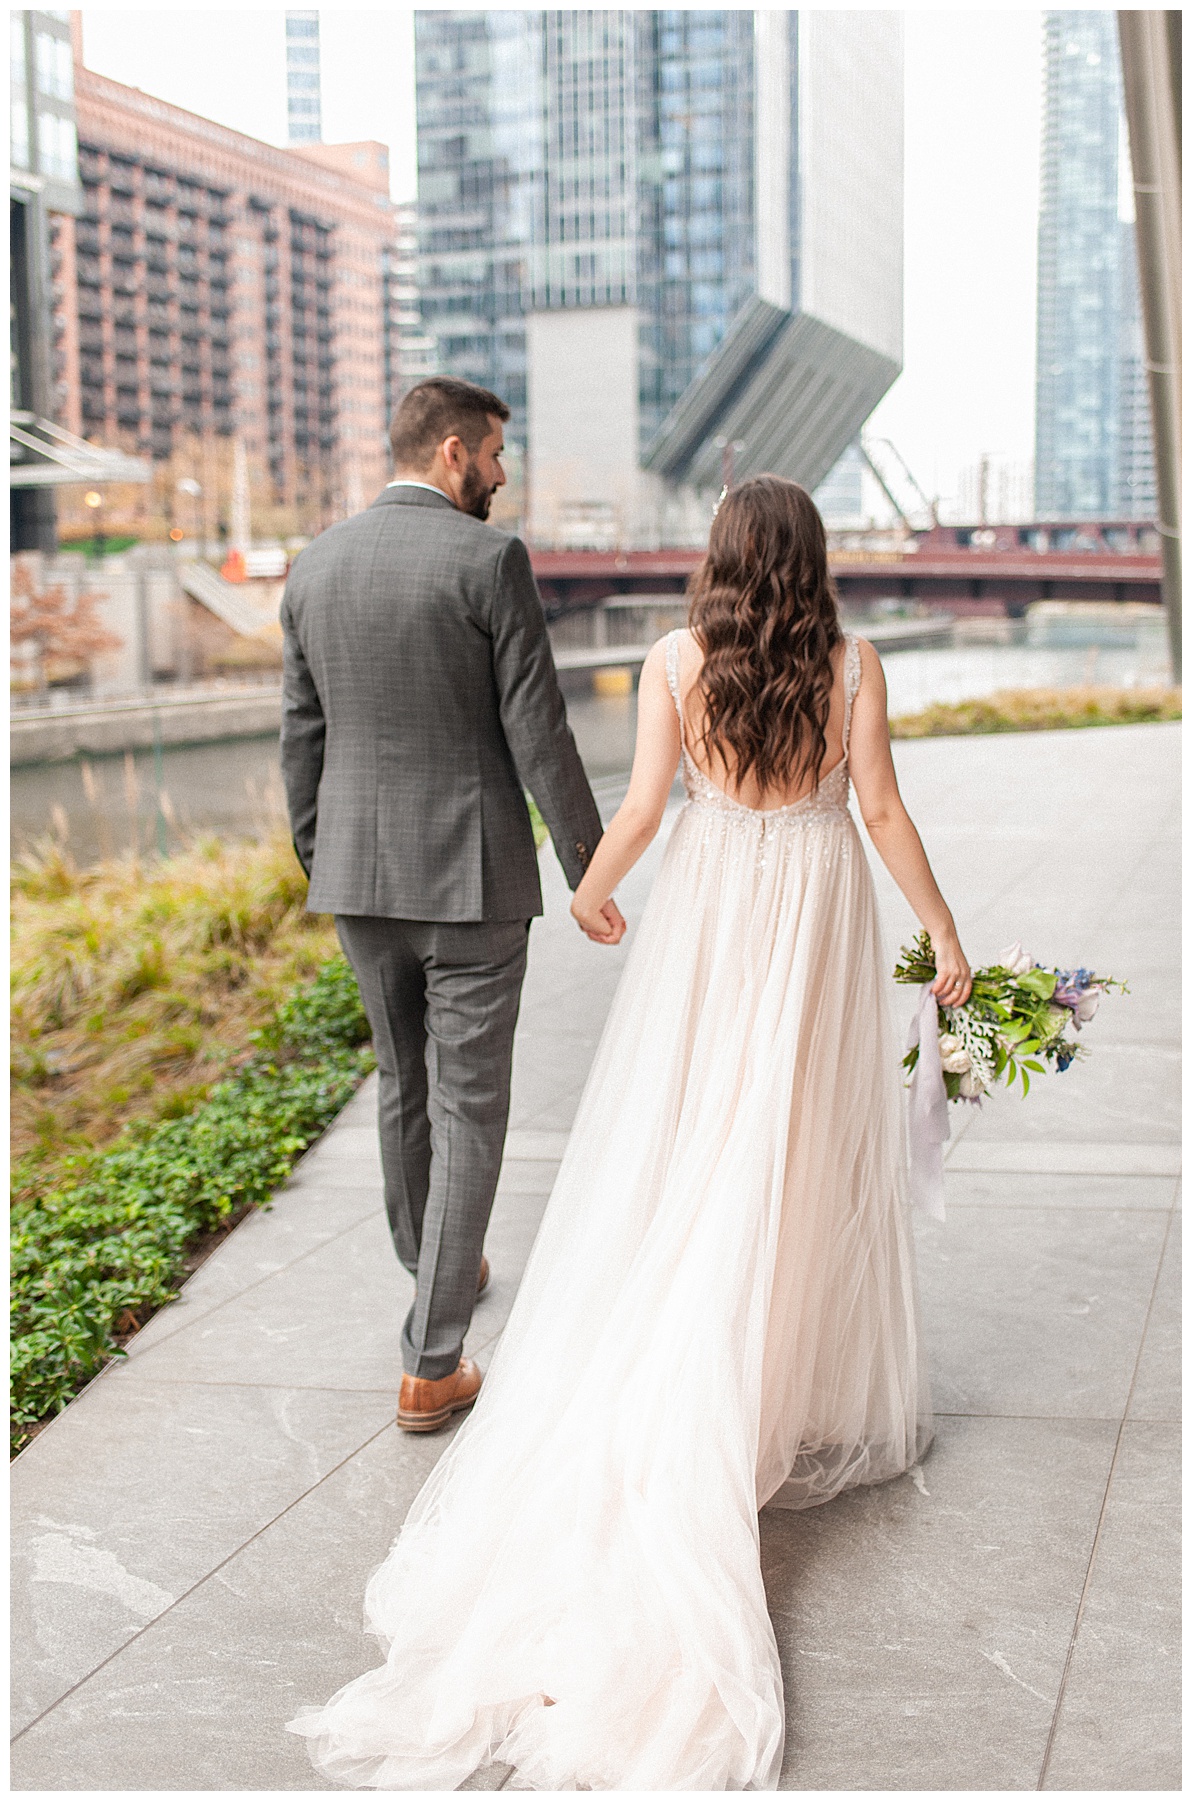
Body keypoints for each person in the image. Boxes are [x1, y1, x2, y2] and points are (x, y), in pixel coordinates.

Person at [289, 475, 975, 1789]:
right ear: (812, 561)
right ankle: (770, 1364)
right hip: (815, 905)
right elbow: (879, 812)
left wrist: (593, 895)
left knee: (698, 1127)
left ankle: (693, 1340)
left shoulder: (674, 661)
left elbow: (648, 811)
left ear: (719, 560)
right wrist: (942, 931)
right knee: (787, 1140)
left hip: (716, 910)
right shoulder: (853, 664)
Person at [280, 376, 609, 1434]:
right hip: (470, 883)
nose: (504, 475)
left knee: (402, 1085)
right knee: (469, 1106)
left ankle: (440, 1270)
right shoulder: (488, 560)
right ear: (456, 451)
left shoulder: (314, 565)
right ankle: (432, 1359)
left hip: (359, 884)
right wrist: (588, 867)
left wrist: (324, 860)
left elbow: (302, 737)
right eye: (499, 454)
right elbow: (539, 731)